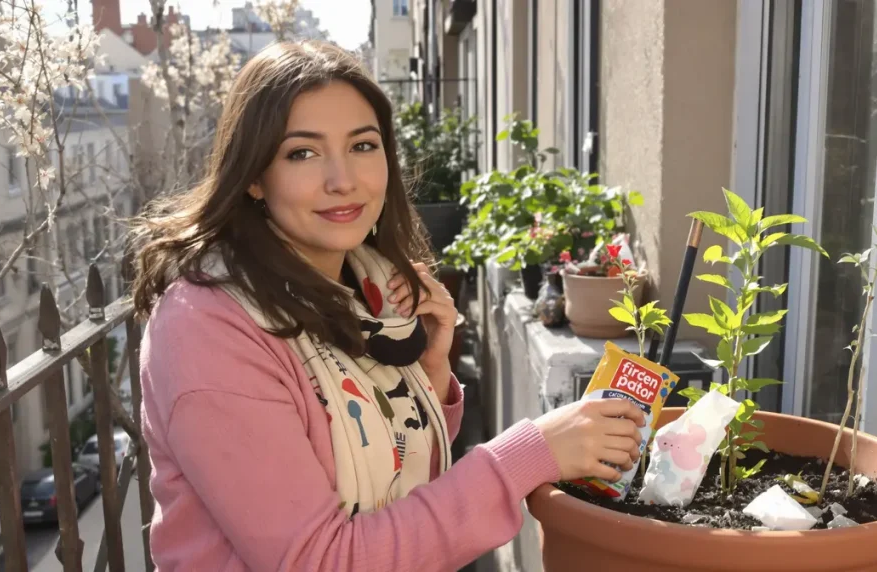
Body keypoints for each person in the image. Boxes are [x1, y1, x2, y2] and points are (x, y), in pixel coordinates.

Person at [131, 40, 645, 572]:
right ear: (255, 177)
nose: (343, 180)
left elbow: (383, 468)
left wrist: (427, 372)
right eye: (302, 152)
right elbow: (322, 561)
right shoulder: (209, 330)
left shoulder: (361, 283)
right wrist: (527, 453)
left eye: (362, 145)